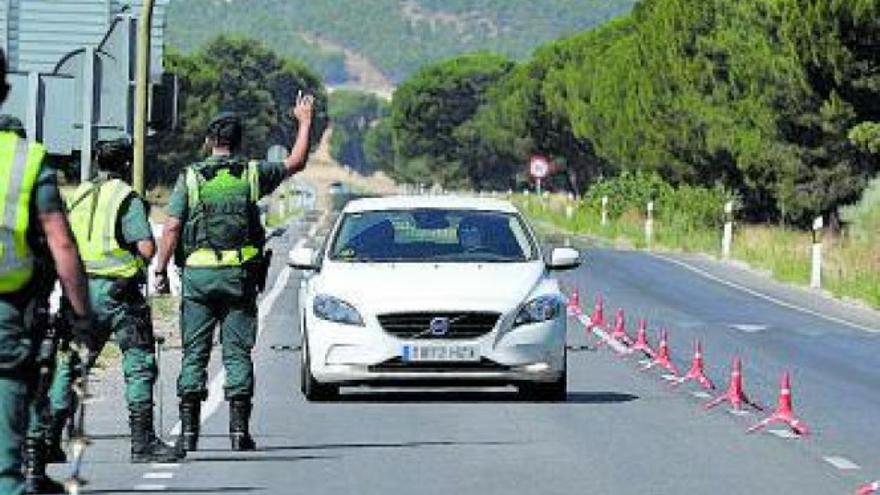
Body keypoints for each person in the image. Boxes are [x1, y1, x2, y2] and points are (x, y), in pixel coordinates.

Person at [154, 93, 314, 453]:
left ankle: (190, 434)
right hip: (239, 279)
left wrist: (161, 270)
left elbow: (172, 227)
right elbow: (297, 161)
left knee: (194, 352)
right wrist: (303, 121)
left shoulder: (191, 178)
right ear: (240, 142)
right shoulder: (253, 174)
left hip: (197, 279)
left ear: (210, 141)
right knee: (237, 353)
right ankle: (239, 433)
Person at [34, 136, 180, 467]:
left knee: (71, 364)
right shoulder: (126, 197)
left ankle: (49, 439)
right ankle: (142, 442)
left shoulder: (80, 194)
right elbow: (145, 247)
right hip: (119, 295)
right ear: (127, 164)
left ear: (97, 162)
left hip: (81, 291)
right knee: (139, 364)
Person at [0, 48, 92, 495]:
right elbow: (61, 242)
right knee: (5, 463)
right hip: (7, 317)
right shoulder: (25, 161)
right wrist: (81, 314)